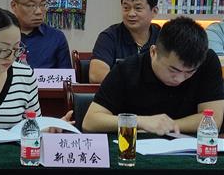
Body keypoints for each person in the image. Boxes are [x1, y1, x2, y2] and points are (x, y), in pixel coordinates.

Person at [83, 16, 224, 135]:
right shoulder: (127, 70)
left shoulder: (208, 61)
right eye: (173, 70)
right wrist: (140, 122)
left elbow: (213, 121)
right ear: (153, 52)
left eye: (190, 72)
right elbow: (90, 122)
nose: (180, 79)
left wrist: (168, 125)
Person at [88, 0, 160, 83]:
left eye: (138, 8)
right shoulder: (109, 36)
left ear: (154, 11)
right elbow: (96, 76)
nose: (131, 14)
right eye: (126, 8)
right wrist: (135, 87)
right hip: (119, 93)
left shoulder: (164, 37)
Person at [9, 0, 71, 69]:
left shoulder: (56, 38)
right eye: (31, 5)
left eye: (43, 4)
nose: (39, 11)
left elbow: (66, 76)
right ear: (14, 6)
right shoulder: (1, 36)